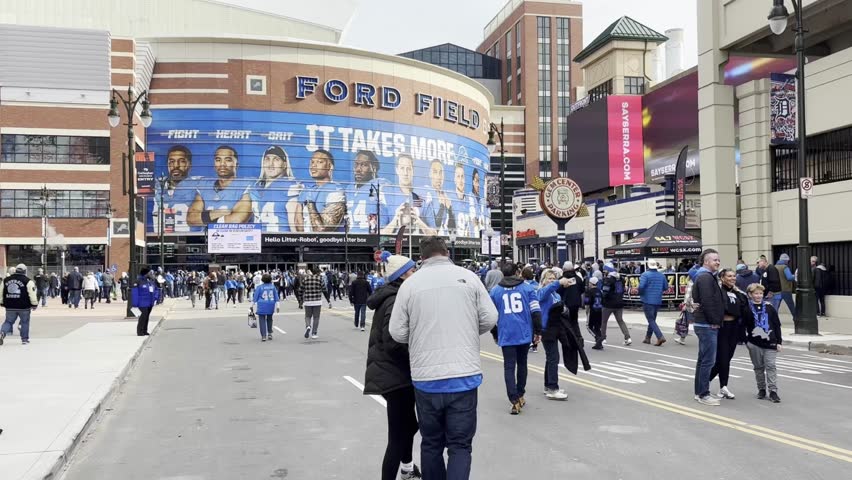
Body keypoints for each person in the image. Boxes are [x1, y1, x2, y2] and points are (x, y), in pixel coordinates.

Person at [390, 236, 498, 480]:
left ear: (421, 257)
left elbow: (397, 331)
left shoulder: (409, 285)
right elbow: (490, 317)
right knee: (460, 446)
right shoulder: (469, 278)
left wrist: (418, 338)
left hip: (426, 378)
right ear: (447, 252)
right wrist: (469, 330)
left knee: (431, 443)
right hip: (463, 375)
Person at [363, 253, 420, 480]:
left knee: (408, 427)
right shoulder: (395, 299)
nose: (416, 273)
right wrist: (415, 360)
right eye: (412, 270)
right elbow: (393, 342)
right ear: (403, 275)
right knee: (398, 435)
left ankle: (406, 469)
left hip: (391, 373)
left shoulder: (392, 296)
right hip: (395, 375)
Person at [489, 263, 542, 414]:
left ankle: (513, 400)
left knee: (509, 366)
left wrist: (495, 333)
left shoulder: (495, 291)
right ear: (517, 272)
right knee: (522, 364)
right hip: (524, 332)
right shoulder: (527, 288)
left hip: (506, 333)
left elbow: (491, 316)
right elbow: (536, 311)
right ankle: (520, 394)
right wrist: (538, 331)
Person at [692, 249, 725, 406]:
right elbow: (707, 301)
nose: (717, 262)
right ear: (706, 262)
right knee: (708, 361)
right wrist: (714, 320)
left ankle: (699, 391)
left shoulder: (705, 276)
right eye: (714, 260)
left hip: (704, 322)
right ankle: (703, 394)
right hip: (706, 324)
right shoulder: (705, 277)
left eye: (718, 260)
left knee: (703, 359)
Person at [187, 145, 252, 226]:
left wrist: (206, 218)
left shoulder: (246, 187)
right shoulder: (204, 186)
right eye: (218, 160)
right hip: (206, 238)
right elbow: (191, 219)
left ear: (237, 165)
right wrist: (221, 212)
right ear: (214, 165)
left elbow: (237, 220)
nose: (222, 164)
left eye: (228, 160)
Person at [709, 268, 749, 400]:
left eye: (734, 276)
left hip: (734, 328)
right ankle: (716, 385)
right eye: (729, 276)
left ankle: (718, 386)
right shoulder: (719, 291)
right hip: (722, 328)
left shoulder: (738, 293)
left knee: (727, 358)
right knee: (723, 358)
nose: (732, 278)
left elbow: (743, 309)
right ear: (722, 278)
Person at [537, 269, 574, 399]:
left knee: (552, 358)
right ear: (543, 280)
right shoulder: (542, 291)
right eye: (549, 278)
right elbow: (543, 294)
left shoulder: (555, 294)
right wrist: (558, 282)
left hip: (556, 327)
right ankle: (552, 387)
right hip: (546, 328)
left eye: (553, 278)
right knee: (553, 357)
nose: (552, 281)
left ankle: (548, 385)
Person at [744, 283, 783, 403]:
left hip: (770, 342)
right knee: (758, 367)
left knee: (771, 366)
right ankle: (761, 389)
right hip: (754, 343)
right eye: (755, 293)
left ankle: (773, 391)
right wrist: (746, 341)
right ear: (750, 295)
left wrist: (779, 341)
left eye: (760, 293)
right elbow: (742, 325)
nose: (758, 296)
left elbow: (776, 325)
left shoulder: (769, 307)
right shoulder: (747, 308)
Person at [250, 146, 303, 232]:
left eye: (276, 159)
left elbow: (295, 226)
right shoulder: (256, 187)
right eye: (267, 159)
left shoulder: (289, 185)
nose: (271, 164)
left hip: (280, 241)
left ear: (284, 164)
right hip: (260, 241)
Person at [293, 149, 347, 232]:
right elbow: (298, 226)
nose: (313, 166)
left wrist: (310, 203)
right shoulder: (307, 190)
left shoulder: (336, 191)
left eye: (319, 162)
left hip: (327, 243)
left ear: (330, 166)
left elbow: (322, 230)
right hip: (307, 242)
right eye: (312, 162)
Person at [347, 150, 390, 234]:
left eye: (364, 165)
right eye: (356, 164)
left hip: (371, 240)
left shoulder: (381, 185)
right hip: (350, 242)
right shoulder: (349, 188)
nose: (358, 169)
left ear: (373, 168)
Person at [1, 264, 38, 346]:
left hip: (10, 305)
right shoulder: (28, 281)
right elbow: (32, 293)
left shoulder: (6, 280)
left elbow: (1, 291)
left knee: (8, 321)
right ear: (25, 271)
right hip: (24, 306)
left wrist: (2, 302)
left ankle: (2, 333)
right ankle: (24, 339)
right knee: (25, 322)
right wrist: (34, 303)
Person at [600, 263, 632, 347]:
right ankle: (627, 337)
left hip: (608, 303)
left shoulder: (608, 279)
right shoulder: (620, 278)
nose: (604, 272)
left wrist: (602, 297)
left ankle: (603, 338)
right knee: (620, 321)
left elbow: (605, 292)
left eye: (605, 270)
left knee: (603, 321)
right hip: (619, 302)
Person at [639, 260, 668, 346]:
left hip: (647, 300)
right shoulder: (661, 275)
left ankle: (660, 336)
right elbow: (666, 287)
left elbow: (641, 286)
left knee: (650, 320)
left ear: (648, 266)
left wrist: (640, 293)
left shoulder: (645, 275)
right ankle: (647, 338)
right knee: (652, 320)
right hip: (657, 300)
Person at [132, 267, 160, 336]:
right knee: (143, 316)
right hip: (142, 303)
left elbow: (156, 289)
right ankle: (140, 331)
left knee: (147, 316)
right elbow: (135, 293)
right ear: (146, 273)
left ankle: (145, 330)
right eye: (150, 273)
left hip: (149, 302)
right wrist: (135, 304)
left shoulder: (150, 281)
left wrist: (155, 298)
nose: (151, 274)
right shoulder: (138, 281)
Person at [252, 273, 279, 342]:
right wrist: (278, 306)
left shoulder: (259, 287)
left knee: (262, 320)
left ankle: (263, 335)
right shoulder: (273, 287)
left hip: (262, 305)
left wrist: (251, 305)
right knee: (270, 319)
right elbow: (276, 297)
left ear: (262, 280)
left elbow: (255, 298)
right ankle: (269, 333)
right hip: (270, 304)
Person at [299, 267, 324, 339]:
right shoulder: (320, 279)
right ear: (318, 273)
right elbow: (324, 289)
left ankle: (308, 326)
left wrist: (300, 299)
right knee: (316, 317)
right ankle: (314, 333)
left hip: (308, 301)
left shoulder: (306, 279)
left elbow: (300, 289)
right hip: (317, 301)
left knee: (307, 316)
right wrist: (328, 300)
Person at [772, 253, 796, 319]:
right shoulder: (785, 267)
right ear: (786, 261)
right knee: (791, 306)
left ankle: (774, 320)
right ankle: (796, 318)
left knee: (776, 307)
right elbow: (789, 277)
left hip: (776, 290)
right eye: (788, 261)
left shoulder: (774, 267)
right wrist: (795, 276)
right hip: (786, 290)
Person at [587, 277, 604, 350]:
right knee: (597, 327)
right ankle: (599, 343)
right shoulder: (600, 291)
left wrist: (587, 311)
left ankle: (597, 337)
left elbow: (587, 302)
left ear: (591, 283)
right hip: (599, 310)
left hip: (592, 310)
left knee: (589, 327)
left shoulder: (589, 291)